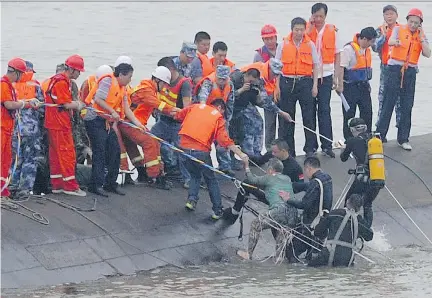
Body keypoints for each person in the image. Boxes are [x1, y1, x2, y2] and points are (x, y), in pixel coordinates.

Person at [173, 98, 249, 219]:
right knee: (211, 179)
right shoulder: (218, 117)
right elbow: (223, 140)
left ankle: (191, 200)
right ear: (220, 108)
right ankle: (217, 209)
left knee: (195, 175)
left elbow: (178, 115)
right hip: (200, 151)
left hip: (183, 149)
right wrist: (240, 154)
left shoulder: (195, 107)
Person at [376, 8, 431, 151]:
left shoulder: (421, 35)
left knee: (407, 105)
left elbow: (427, 53)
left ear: (420, 24)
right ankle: (380, 135)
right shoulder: (399, 29)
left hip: (410, 71)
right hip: (394, 69)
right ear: (407, 21)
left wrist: (421, 38)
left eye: (416, 23)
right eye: (411, 22)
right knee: (388, 102)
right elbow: (391, 40)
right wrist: (398, 42)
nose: (413, 25)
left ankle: (403, 138)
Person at [83, 57, 137, 197]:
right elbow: (98, 99)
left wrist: (139, 125)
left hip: (106, 121)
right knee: (100, 152)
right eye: (129, 77)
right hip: (95, 120)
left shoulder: (122, 87)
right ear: (122, 75)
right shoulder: (108, 80)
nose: (130, 80)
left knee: (115, 150)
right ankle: (96, 185)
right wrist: (112, 112)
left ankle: (111, 183)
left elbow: (126, 108)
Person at [122, 65, 180, 189]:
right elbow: (160, 106)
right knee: (150, 142)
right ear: (157, 81)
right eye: (164, 84)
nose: (164, 88)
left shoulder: (150, 89)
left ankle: (144, 171)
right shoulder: (146, 90)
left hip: (133, 122)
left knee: (148, 143)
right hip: (129, 123)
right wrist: (178, 112)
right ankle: (154, 176)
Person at [224, 139, 304, 223]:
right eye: (272, 151)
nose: (272, 154)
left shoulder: (295, 167)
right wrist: (242, 153)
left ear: (283, 151)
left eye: (275, 152)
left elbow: (300, 185)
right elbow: (259, 160)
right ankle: (235, 212)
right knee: (245, 184)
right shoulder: (272, 155)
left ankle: (234, 213)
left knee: (247, 184)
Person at [236, 158, 298, 261]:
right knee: (281, 233)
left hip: (279, 210)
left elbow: (251, 179)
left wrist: (246, 166)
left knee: (255, 225)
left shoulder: (269, 177)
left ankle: (248, 254)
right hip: (293, 213)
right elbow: (272, 187)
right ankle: (279, 259)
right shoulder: (287, 178)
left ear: (270, 169)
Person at [275, 17, 319, 157]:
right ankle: (289, 151)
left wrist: (315, 85)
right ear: (292, 29)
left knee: (308, 117)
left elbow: (316, 65)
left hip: (305, 82)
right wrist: (277, 87)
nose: (299, 32)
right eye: (296, 30)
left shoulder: (310, 44)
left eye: (301, 29)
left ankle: (310, 148)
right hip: (287, 82)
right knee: (288, 118)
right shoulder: (283, 44)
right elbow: (276, 67)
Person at [43, 55, 86, 197]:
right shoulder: (61, 82)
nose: (79, 74)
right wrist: (78, 104)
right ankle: (70, 186)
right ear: (72, 70)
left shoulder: (57, 80)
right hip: (60, 125)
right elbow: (65, 104)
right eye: (78, 71)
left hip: (53, 123)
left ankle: (57, 185)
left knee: (55, 155)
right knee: (67, 155)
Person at [231, 60, 292, 160]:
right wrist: (241, 90)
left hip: (246, 101)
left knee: (258, 121)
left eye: (277, 74)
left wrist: (280, 112)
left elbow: (264, 101)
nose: (275, 77)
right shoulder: (236, 77)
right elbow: (228, 96)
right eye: (274, 73)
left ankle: (257, 152)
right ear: (269, 69)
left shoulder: (260, 80)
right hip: (234, 104)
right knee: (248, 124)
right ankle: (249, 154)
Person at [306, 2, 343, 158]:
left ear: (325, 16)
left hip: (326, 75)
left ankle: (327, 145)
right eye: (316, 16)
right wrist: (309, 27)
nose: (318, 19)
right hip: (309, 75)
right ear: (312, 16)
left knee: (324, 110)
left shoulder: (332, 31)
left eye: (321, 16)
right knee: (309, 112)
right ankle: (310, 147)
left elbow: (338, 54)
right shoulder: (306, 30)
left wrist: (336, 77)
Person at [280, 156, 333, 260]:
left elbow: (304, 204)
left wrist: (288, 199)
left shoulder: (315, 183)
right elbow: (307, 186)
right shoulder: (327, 178)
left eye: (305, 170)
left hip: (311, 226)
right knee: (312, 256)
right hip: (323, 223)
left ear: (308, 168)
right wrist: (291, 185)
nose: (305, 173)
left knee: (290, 252)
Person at [151, 57, 192, 188]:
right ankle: (163, 171)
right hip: (163, 120)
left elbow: (187, 107)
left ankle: (188, 178)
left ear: (170, 70)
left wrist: (177, 113)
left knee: (182, 151)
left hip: (177, 124)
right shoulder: (163, 80)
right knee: (151, 139)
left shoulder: (184, 83)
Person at [1, 58, 39, 198]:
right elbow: (9, 105)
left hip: (11, 128)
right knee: (20, 159)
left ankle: (6, 187)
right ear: (17, 72)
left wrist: (25, 103)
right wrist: (24, 104)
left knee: (9, 160)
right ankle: (18, 189)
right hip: (9, 128)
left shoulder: (11, 85)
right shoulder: (4, 84)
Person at [9, 61, 45, 199]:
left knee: (15, 159)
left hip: (14, 129)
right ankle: (24, 190)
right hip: (31, 130)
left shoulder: (9, 85)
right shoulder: (35, 86)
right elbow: (42, 108)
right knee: (30, 160)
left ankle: (11, 186)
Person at [308, 194, 374, 267]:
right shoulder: (359, 221)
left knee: (310, 266)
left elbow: (318, 232)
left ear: (347, 202)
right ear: (359, 208)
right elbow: (369, 237)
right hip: (346, 259)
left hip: (328, 253)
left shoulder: (334, 213)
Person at [340, 118, 381, 227]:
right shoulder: (374, 139)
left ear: (352, 129)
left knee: (349, 202)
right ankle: (367, 230)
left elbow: (343, 158)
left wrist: (343, 148)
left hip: (362, 178)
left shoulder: (352, 141)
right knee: (367, 204)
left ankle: (348, 228)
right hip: (378, 177)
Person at [195, 65, 235, 176]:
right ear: (216, 76)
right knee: (204, 144)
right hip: (207, 117)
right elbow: (202, 98)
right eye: (220, 79)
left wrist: (227, 119)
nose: (222, 82)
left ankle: (225, 167)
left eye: (224, 79)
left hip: (221, 117)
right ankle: (204, 168)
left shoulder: (230, 85)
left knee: (223, 144)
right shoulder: (208, 82)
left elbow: (230, 102)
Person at [339, 27, 377, 140]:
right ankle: (349, 140)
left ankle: (366, 137)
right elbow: (341, 67)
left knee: (367, 112)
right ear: (364, 39)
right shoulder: (348, 49)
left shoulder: (367, 50)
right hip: (350, 87)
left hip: (364, 86)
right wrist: (339, 84)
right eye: (371, 41)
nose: (372, 44)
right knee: (349, 115)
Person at [373, 5, 400, 130]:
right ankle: (380, 130)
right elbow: (375, 47)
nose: (389, 16)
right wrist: (383, 35)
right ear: (383, 16)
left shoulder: (402, 29)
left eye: (391, 14)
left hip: (400, 67)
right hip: (386, 67)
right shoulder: (379, 30)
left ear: (396, 15)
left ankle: (401, 127)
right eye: (386, 14)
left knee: (400, 99)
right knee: (383, 98)